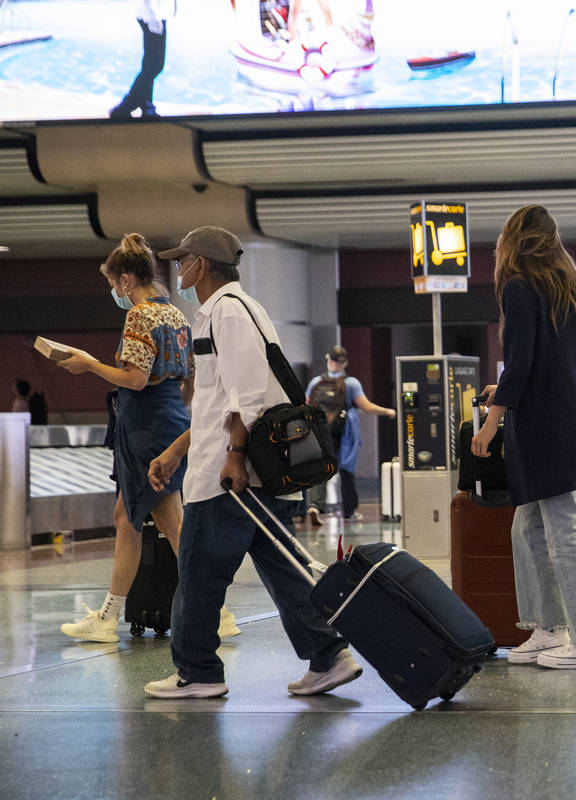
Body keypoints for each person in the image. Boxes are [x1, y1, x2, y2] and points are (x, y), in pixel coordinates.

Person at [144, 226, 361, 698]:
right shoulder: (240, 309)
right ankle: (329, 657)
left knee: (199, 573)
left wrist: (236, 457)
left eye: (184, 260)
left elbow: (247, 395)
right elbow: (216, 401)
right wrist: (175, 450)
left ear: (202, 264)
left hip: (228, 478)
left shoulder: (226, 312)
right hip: (248, 472)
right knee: (283, 568)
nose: (179, 268)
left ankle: (198, 672)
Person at [56, 234, 240, 643]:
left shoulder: (139, 316)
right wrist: (175, 410)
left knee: (171, 524)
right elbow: (190, 377)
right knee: (128, 518)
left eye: (112, 283)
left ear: (125, 280)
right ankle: (108, 616)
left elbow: (135, 379)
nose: (113, 292)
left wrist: (90, 365)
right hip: (169, 416)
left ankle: (218, 611)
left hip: (145, 427)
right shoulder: (175, 314)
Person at [470, 204, 576, 669]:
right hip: (571, 411)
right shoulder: (568, 285)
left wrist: (492, 419)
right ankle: (550, 629)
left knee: (562, 527)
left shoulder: (518, 285)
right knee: (526, 526)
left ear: (512, 239)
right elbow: (553, 361)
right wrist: (507, 393)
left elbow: (521, 360)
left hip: (548, 421)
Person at [303, 345, 396, 526]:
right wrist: (387, 412)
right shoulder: (351, 383)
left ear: (328, 360)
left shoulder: (316, 382)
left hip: (320, 431)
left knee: (320, 467)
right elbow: (366, 406)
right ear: (345, 362)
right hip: (344, 432)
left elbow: (306, 404)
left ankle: (314, 506)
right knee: (346, 470)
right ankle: (349, 511)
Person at [111, 0, 175, 119]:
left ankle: (147, 106)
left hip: (155, 14)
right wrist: (152, 16)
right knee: (155, 65)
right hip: (152, 15)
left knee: (151, 64)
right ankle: (126, 106)